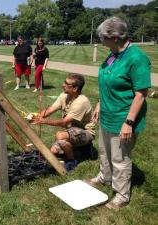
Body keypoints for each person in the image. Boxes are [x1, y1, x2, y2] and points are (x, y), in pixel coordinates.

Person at [84, 17, 151, 211]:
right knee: (105, 151)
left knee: (120, 158)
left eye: (102, 37)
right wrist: (99, 105)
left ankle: (121, 195)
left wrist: (128, 123)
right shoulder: (113, 54)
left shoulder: (136, 58)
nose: (100, 41)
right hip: (107, 114)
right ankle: (104, 177)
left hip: (124, 117)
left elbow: (141, 94)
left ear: (114, 37)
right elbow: (106, 81)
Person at [33, 73, 95, 171]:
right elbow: (50, 109)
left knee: (60, 136)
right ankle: (82, 150)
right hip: (71, 132)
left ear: (75, 88)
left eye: (66, 83)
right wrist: (37, 116)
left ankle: (72, 161)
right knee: (53, 151)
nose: (63, 85)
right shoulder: (64, 95)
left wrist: (44, 121)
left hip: (86, 133)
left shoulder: (81, 102)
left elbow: (64, 123)